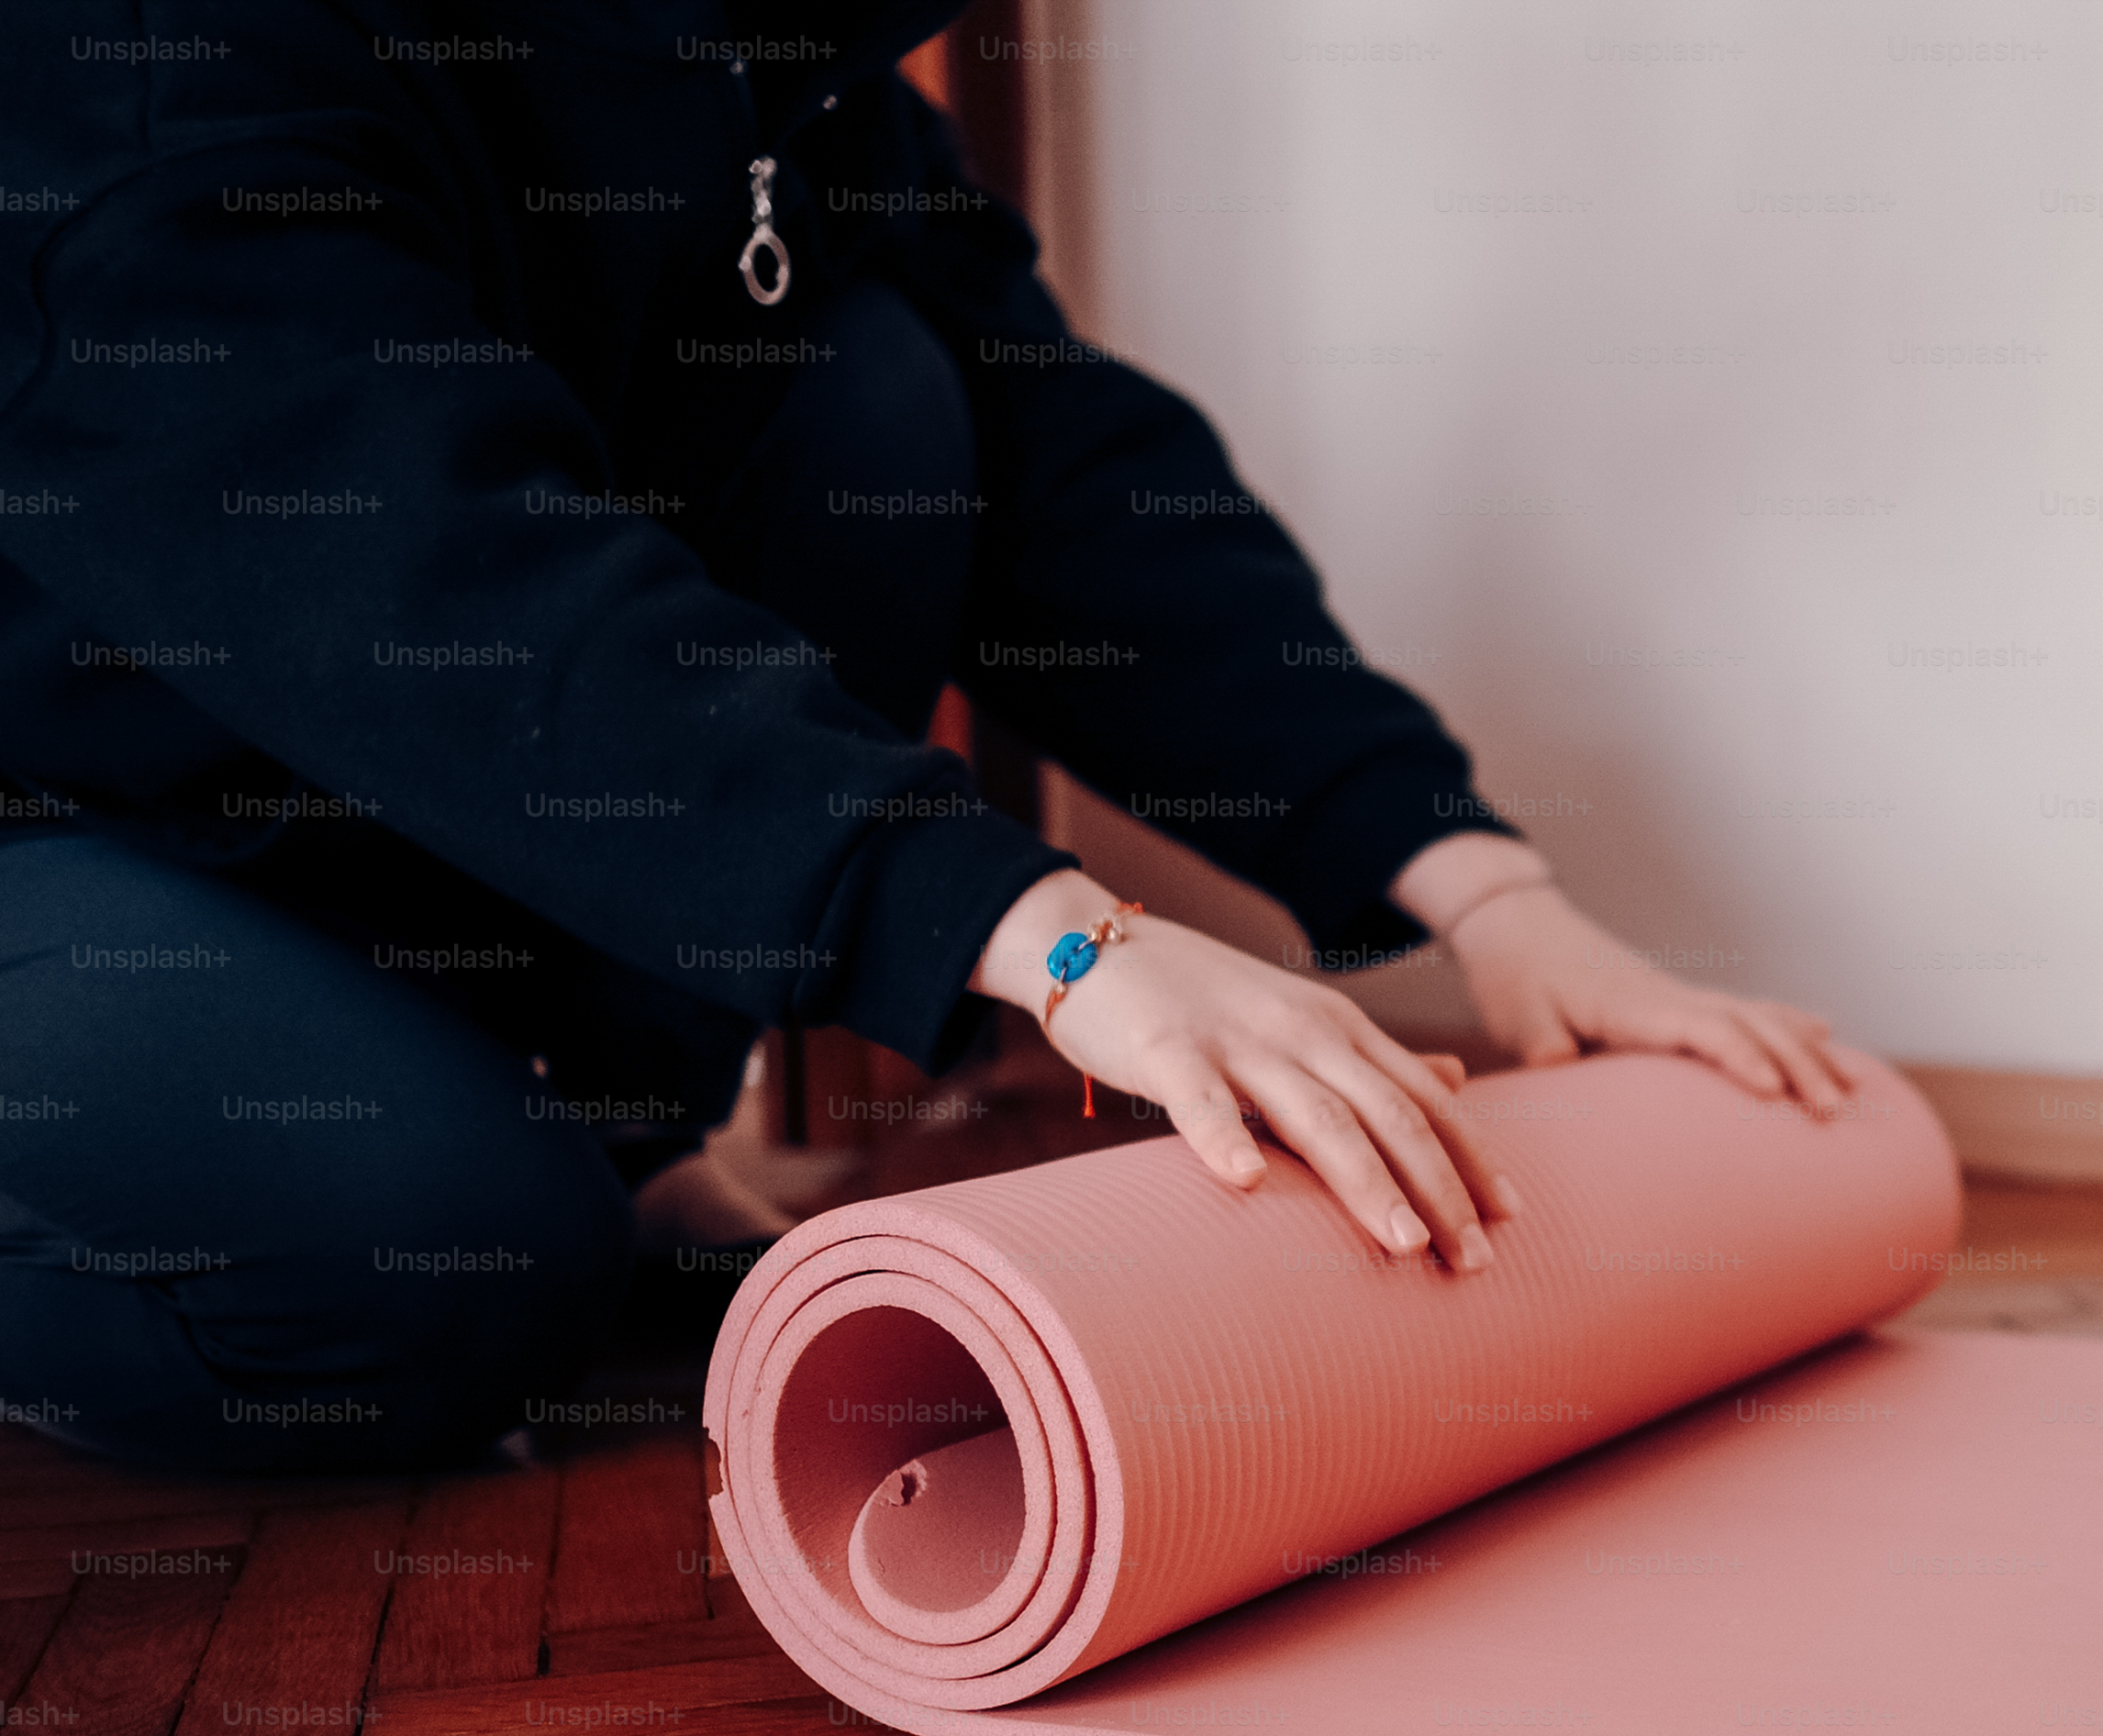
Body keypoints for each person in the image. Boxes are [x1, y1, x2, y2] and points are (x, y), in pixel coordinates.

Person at [0, 0, 1849, 1473]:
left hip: (352, 797)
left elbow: (1071, 473)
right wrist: (1051, 934)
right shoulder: (155, 62)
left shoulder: (766, 63)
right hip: (70, 816)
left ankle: (607, 1138)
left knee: (883, 383)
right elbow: (434, 584)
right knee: (406, 1291)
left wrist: (1483, 891)